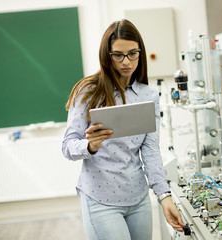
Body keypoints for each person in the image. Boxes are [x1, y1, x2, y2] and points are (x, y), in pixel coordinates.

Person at [62, 19, 185, 240]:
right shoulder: (88, 92)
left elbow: (150, 150)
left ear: (140, 52)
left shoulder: (149, 95)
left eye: (132, 54)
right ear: (106, 55)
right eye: (118, 55)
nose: (126, 61)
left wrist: (164, 195)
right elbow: (68, 146)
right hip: (100, 200)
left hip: (138, 199)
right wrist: (89, 146)